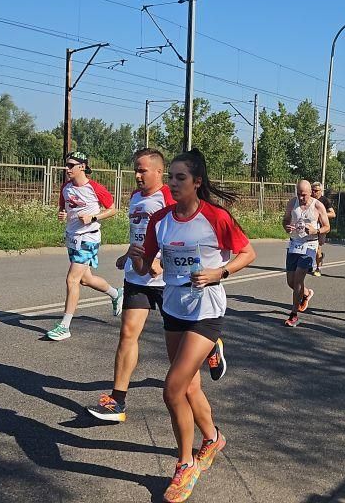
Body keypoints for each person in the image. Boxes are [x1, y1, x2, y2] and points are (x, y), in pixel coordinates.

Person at [130, 149, 256, 503]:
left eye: (180, 178)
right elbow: (147, 269)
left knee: (172, 389)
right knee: (189, 387)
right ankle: (213, 438)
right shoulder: (161, 220)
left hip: (207, 309)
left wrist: (219, 272)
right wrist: (138, 260)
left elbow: (248, 253)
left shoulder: (215, 217)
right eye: (170, 177)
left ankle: (185, 464)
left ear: (197, 182)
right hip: (174, 307)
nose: (173, 183)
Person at [87, 148, 177, 422]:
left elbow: (179, 234)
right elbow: (138, 234)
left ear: (159, 172)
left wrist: (162, 262)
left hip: (165, 279)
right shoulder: (135, 197)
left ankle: (210, 345)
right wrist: (127, 254)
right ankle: (118, 401)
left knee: (180, 342)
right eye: (135, 170)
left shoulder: (169, 197)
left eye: (142, 170)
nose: (137, 175)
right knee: (127, 334)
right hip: (137, 276)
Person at [49, 151, 122, 341]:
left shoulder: (95, 188)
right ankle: (116, 294)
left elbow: (113, 210)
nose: (67, 169)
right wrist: (62, 214)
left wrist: (93, 217)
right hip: (72, 237)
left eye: (71, 165)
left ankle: (64, 326)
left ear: (82, 167)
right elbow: (63, 208)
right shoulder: (66, 187)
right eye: (66, 165)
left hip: (89, 238)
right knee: (85, 279)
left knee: (72, 279)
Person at [283, 180, 330, 327]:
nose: (301, 197)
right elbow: (285, 220)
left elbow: (327, 227)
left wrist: (316, 230)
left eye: (304, 195)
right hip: (294, 244)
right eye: (299, 194)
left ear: (310, 192)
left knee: (298, 280)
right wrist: (286, 227)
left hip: (310, 245)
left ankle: (293, 315)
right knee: (291, 282)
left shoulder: (318, 205)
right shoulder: (292, 203)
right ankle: (307, 293)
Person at [311, 182, 336, 276]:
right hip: (311, 226)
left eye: (316, 190)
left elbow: (333, 214)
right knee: (310, 246)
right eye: (312, 190)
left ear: (321, 191)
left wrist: (321, 215)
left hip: (321, 227)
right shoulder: (309, 199)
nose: (313, 192)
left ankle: (318, 268)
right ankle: (308, 264)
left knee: (318, 247)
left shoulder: (324, 200)